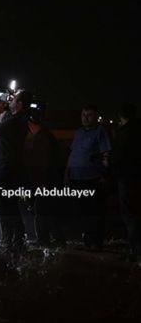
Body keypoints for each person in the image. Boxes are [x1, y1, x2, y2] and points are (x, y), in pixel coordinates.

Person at [0, 90, 32, 254]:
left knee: (5, 207)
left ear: (20, 104)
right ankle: (15, 242)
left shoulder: (13, 122)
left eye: (14, 99)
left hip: (6, 171)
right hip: (11, 169)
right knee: (10, 206)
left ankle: (11, 243)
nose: (10, 101)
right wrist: (4, 113)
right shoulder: (19, 120)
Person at [65, 104, 111, 250]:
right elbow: (73, 153)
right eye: (83, 115)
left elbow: (106, 154)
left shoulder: (100, 132)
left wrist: (105, 174)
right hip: (76, 178)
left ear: (95, 116)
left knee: (95, 211)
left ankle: (96, 242)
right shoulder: (79, 132)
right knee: (81, 210)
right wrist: (67, 171)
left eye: (89, 115)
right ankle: (87, 239)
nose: (85, 118)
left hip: (92, 178)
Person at [25, 109, 66, 246]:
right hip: (51, 181)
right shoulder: (46, 136)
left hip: (46, 182)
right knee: (49, 211)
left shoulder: (41, 139)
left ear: (31, 123)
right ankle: (58, 240)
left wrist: (41, 183)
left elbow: (43, 162)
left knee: (42, 210)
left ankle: (44, 240)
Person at [108, 102, 140, 262]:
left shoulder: (123, 134)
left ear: (121, 116)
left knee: (130, 215)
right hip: (136, 177)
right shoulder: (137, 130)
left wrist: (108, 162)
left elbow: (117, 157)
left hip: (127, 178)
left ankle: (135, 251)